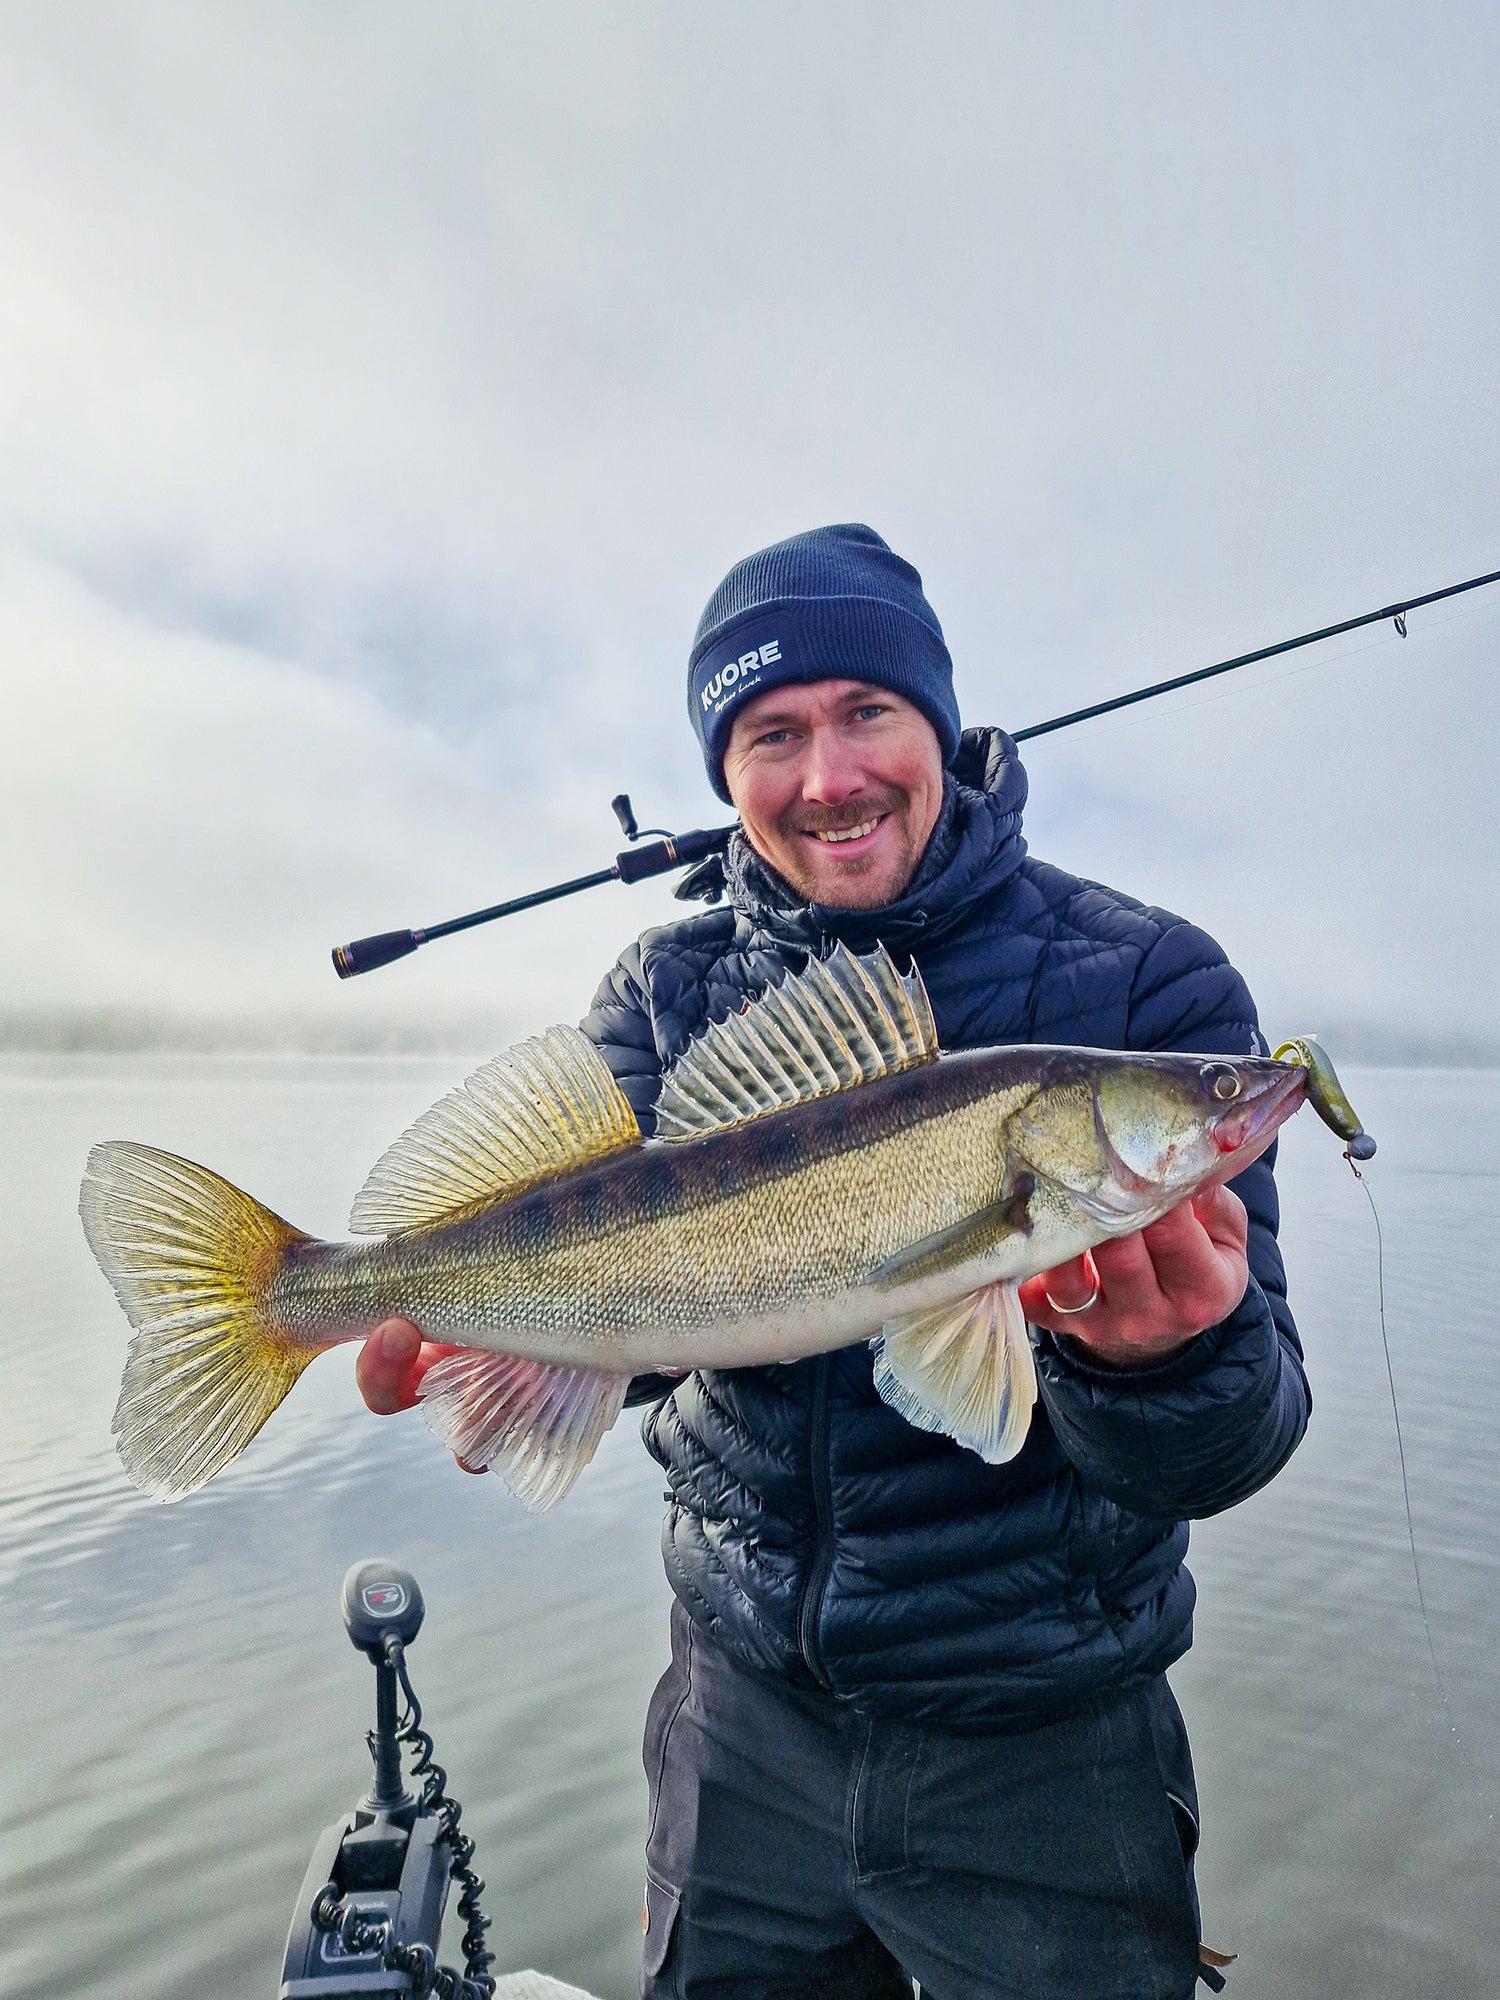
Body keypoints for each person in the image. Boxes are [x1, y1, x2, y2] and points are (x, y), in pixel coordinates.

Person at [357, 525, 1309, 2000]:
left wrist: (1168, 1361)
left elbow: (1233, 1445)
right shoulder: (665, 991)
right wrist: (503, 1365)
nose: (828, 776)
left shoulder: (1147, 986)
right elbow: (644, 1329)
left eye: (868, 711)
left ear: (940, 725)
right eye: (772, 735)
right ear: (725, 774)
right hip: (740, 1727)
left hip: (1046, 1742)